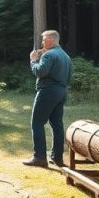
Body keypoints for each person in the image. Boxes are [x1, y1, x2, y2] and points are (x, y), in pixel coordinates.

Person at [23, 30, 73, 168]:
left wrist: (33, 60)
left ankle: (39, 157)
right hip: (61, 92)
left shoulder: (49, 54)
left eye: (44, 40)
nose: (42, 43)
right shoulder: (66, 56)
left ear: (51, 40)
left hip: (48, 91)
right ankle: (57, 158)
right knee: (57, 124)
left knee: (37, 123)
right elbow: (69, 76)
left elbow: (40, 72)